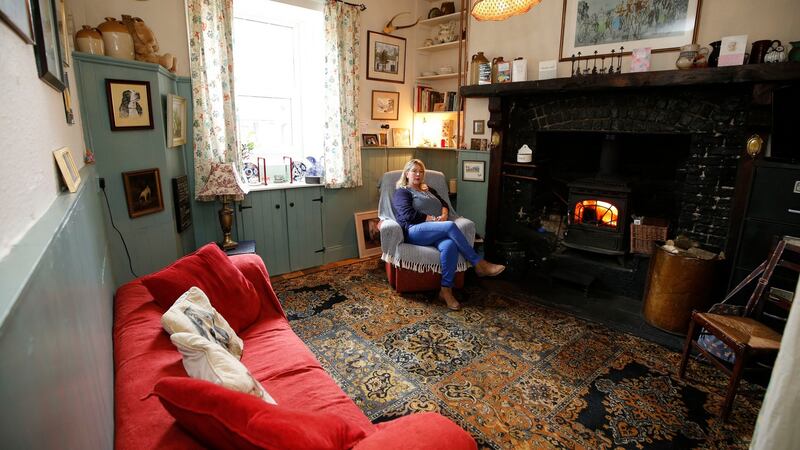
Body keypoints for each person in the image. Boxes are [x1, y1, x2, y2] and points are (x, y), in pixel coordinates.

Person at [391, 159, 505, 310]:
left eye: (421, 171)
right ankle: (479, 263)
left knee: (450, 245)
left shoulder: (427, 189)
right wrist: (430, 218)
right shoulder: (402, 191)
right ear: (407, 173)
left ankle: (446, 291)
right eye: (414, 171)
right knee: (451, 226)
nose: (418, 174)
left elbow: (444, 203)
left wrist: (444, 214)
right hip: (415, 230)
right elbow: (406, 214)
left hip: (436, 228)